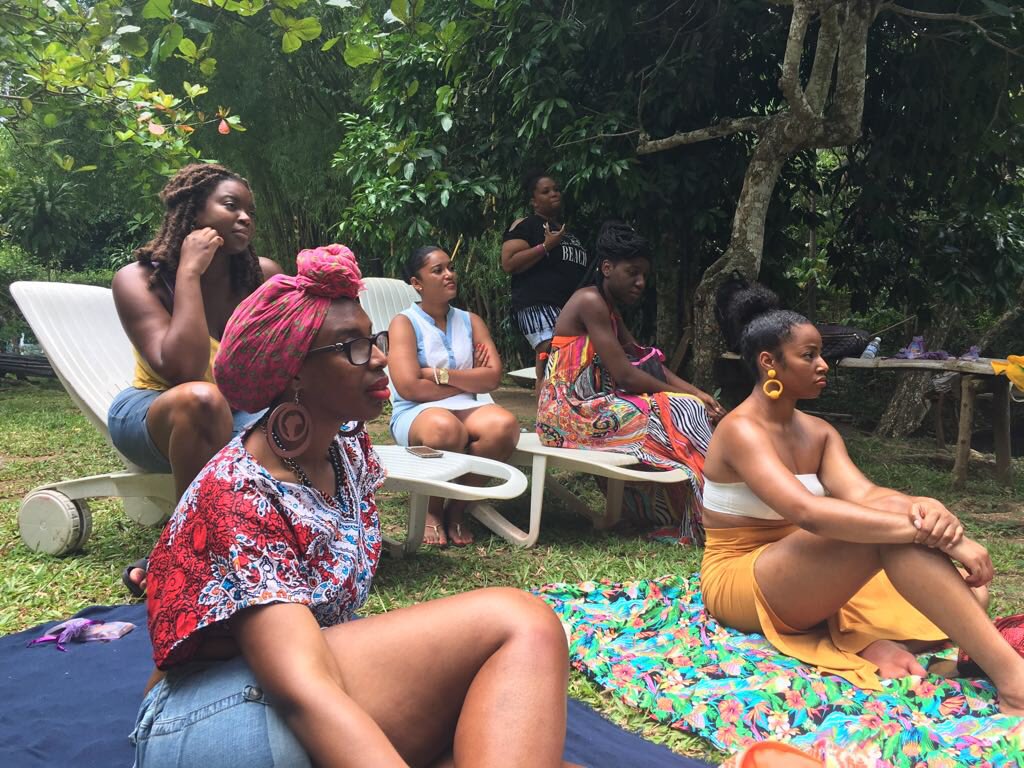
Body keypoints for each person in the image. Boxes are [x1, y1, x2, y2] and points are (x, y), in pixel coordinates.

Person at [132, 244, 573, 767]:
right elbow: (303, 689)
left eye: (373, 339)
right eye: (353, 347)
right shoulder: (240, 493)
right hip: (204, 721)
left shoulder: (346, 449)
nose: (381, 358)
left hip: (286, 687)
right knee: (520, 621)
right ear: (293, 372)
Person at [701, 275, 1024, 711]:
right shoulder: (739, 430)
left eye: (821, 355)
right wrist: (929, 534)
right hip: (741, 576)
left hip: (807, 566)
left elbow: (865, 493)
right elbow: (808, 512)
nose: (823, 365)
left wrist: (924, 509)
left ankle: (869, 642)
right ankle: (1014, 682)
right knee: (896, 542)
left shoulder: (819, 432)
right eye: (809, 355)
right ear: (768, 362)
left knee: (969, 596)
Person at [109, 163, 282, 596]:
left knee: (298, 420)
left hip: (237, 411)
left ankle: (280, 546)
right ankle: (185, 549)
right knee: (203, 399)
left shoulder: (262, 277)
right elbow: (182, 369)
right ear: (193, 212)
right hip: (158, 411)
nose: (245, 217)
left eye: (249, 210)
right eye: (230, 205)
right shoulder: (138, 279)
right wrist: (188, 272)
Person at [536, 222, 725, 544]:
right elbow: (625, 376)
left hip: (591, 410)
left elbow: (646, 363)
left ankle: (694, 511)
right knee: (676, 410)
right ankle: (704, 512)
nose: (640, 282)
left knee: (685, 407)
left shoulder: (608, 311)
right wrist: (688, 397)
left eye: (644, 276)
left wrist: (698, 394)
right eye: (633, 272)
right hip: (565, 415)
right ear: (607, 268)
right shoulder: (590, 302)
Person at [388, 246, 520, 546]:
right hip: (416, 411)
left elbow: (493, 377)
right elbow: (409, 387)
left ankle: (457, 508)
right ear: (416, 283)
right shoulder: (404, 323)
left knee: (504, 426)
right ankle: (431, 511)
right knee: (445, 428)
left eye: (450, 267)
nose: (449, 274)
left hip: (465, 407)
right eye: (438, 270)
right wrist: (472, 380)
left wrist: (437, 374)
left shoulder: (470, 321)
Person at [500, 171, 590, 389]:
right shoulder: (528, 225)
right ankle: (546, 418)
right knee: (553, 357)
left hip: (567, 308)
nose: (554, 194)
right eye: (546, 191)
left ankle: (554, 416)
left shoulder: (567, 232)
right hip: (538, 304)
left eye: (556, 189)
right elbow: (509, 262)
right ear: (534, 202)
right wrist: (546, 246)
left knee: (569, 363)